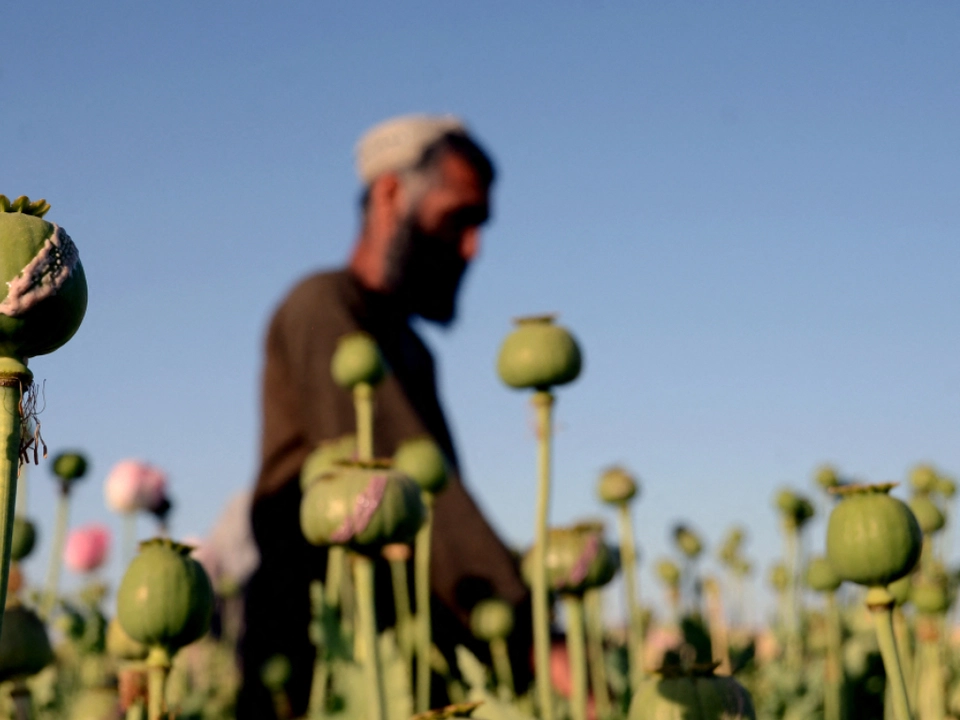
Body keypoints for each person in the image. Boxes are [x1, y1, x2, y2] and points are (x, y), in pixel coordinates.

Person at [239, 114, 532, 719]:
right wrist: (531, 632)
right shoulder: (323, 306)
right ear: (391, 193)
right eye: (459, 218)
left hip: (401, 656)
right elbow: (412, 486)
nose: (472, 248)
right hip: (320, 661)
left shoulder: (411, 348)